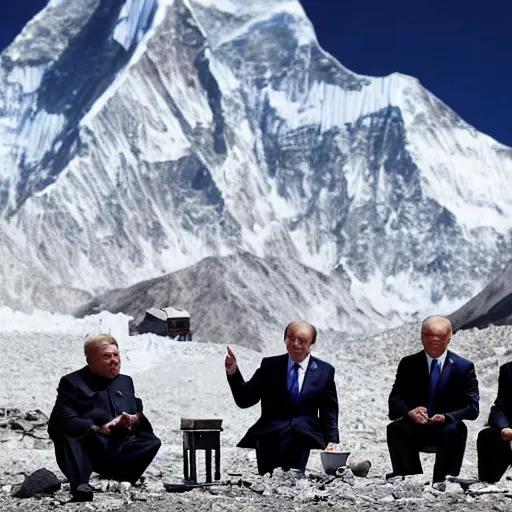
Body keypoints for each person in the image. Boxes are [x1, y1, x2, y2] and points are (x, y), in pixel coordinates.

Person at [48, 334, 161, 501]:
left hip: (117, 445)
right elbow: (62, 420)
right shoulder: (71, 382)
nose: (114, 361)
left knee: (151, 441)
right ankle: (80, 484)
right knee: (70, 430)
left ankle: (122, 478)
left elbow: (136, 409)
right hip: (88, 447)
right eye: (107, 356)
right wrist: (100, 429)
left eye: (116, 355)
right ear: (90, 360)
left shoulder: (126, 382)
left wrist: (133, 419)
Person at [225, 320, 339, 476]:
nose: (296, 344)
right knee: (268, 485)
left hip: (302, 436)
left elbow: (329, 411)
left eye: (302, 340)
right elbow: (245, 399)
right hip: (269, 436)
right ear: (285, 339)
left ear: (312, 342)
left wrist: (331, 442)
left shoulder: (324, 371)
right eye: (291, 338)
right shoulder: (269, 366)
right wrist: (233, 372)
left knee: (292, 484)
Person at [387, 316, 479, 483]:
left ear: (449, 339)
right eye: (429, 336)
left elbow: (473, 408)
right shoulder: (408, 364)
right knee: (396, 428)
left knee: (456, 429)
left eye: (440, 337)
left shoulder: (464, 367)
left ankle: (444, 481)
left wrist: (447, 416)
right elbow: (395, 399)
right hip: (416, 426)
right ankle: (408, 478)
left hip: (447, 428)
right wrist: (411, 411)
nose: (434, 341)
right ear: (422, 336)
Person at [477, 361, 512, 482]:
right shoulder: (508, 369)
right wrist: (504, 428)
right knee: (486, 435)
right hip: (509, 426)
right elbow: (500, 406)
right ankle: (489, 483)